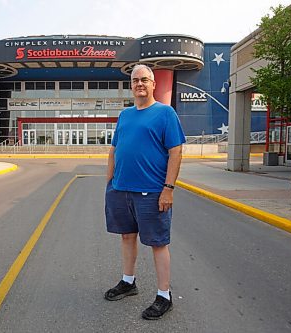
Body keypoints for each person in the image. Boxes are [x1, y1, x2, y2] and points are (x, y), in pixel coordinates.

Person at [104, 64, 185, 320]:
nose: (140, 84)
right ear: (131, 85)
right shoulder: (125, 115)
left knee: (158, 244)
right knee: (127, 237)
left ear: (153, 84)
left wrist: (168, 189)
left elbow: (176, 152)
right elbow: (114, 150)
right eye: (135, 80)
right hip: (121, 190)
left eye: (144, 80)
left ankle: (164, 295)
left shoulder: (165, 113)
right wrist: (109, 184)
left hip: (151, 192)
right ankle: (129, 282)